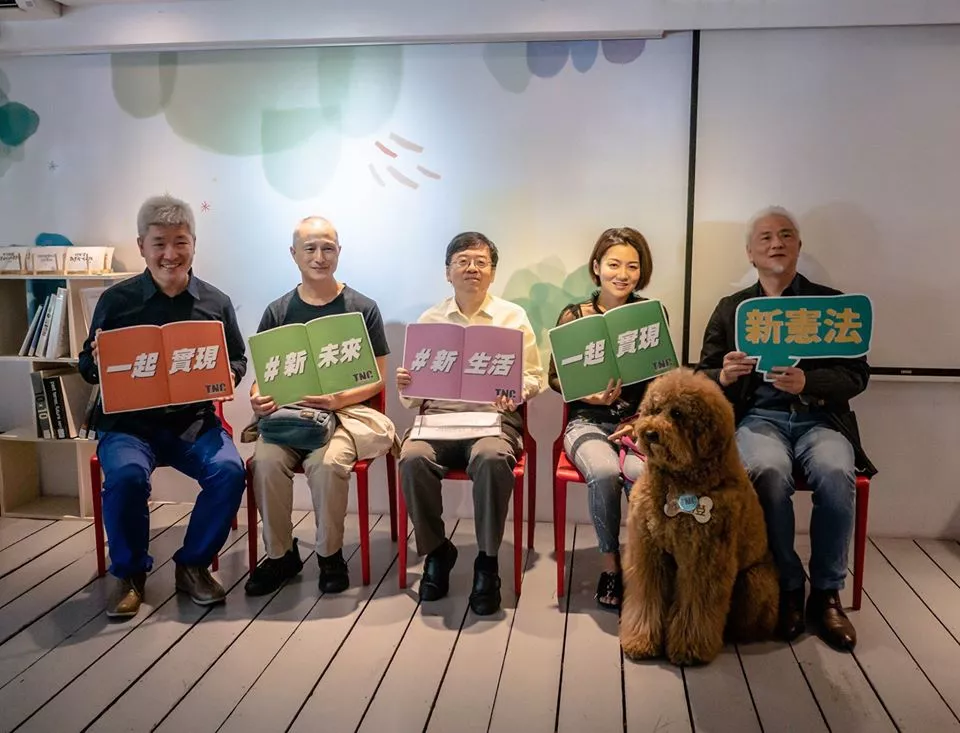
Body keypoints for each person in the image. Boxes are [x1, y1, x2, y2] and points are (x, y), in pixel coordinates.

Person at [696, 206, 876, 651]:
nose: (776, 243)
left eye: (786, 234)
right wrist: (723, 376)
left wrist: (808, 382)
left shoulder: (830, 305)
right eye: (765, 237)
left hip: (820, 420)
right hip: (760, 419)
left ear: (798, 245)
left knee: (836, 472)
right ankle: (789, 585)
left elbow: (856, 375)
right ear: (750, 253)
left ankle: (827, 593)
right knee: (767, 473)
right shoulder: (732, 310)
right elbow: (703, 375)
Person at [78, 194, 247, 619]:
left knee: (229, 472)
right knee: (127, 477)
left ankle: (193, 565)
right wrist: (97, 361)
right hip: (128, 426)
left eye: (180, 242)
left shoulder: (215, 302)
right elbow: (87, 368)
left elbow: (238, 358)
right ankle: (130, 573)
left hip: (193, 423)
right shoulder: (116, 301)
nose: (170, 254)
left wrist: (228, 374)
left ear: (194, 244)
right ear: (142, 246)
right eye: (159, 243)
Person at [396, 232, 544, 616]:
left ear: (492, 272)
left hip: (494, 420)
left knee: (492, 458)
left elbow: (535, 376)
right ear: (448, 272)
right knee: (411, 457)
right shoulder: (429, 321)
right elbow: (412, 398)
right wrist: (406, 383)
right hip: (439, 420)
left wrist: (517, 391)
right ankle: (437, 550)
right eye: (462, 261)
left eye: (481, 262)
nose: (472, 268)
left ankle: (487, 562)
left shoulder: (513, 317)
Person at [245, 217, 394, 596]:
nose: (319, 256)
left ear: (339, 252)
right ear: (293, 254)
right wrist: (257, 396)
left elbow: (378, 377)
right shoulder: (278, 311)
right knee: (265, 463)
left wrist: (337, 399)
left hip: (342, 416)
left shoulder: (362, 308)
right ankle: (280, 556)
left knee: (326, 465)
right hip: (287, 417)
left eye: (328, 248)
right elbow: (263, 375)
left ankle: (330, 556)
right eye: (309, 248)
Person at [548, 227, 653, 610]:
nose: (622, 274)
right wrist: (586, 394)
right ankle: (611, 567)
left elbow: (661, 375)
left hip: (636, 423)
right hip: (586, 423)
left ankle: (646, 567)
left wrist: (641, 422)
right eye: (613, 264)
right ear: (597, 267)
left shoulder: (649, 314)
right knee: (606, 472)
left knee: (641, 475)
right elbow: (554, 377)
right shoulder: (574, 315)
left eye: (632, 266)